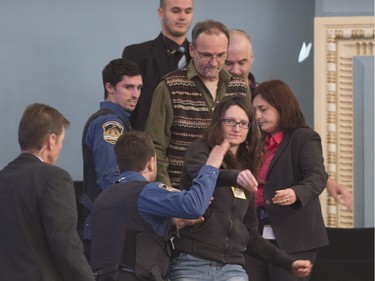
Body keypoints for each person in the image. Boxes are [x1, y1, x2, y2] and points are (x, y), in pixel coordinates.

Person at [168, 95, 312, 281]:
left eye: (244, 123)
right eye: (230, 121)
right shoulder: (201, 149)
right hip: (192, 261)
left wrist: (288, 263)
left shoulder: (247, 168)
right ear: (218, 123)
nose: (237, 128)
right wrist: (235, 176)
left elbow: (251, 235)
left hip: (231, 267)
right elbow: (202, 174)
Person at [224, 28, 353, 211]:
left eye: (242, 62)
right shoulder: (215, 99)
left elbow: (300, 157)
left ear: (251, 58)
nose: (236, 70)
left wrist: (326, 182)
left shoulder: (265, 96)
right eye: (228, 63)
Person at [90, 130, 230, 281]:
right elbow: (194, 206)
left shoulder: (102, 199)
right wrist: (211, 166)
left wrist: (177, 223)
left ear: (118, 166)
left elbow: (131, 230)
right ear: (151, 163)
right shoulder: (146, 191)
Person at [144, 19, 250, 188]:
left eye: (221, 55)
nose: (214, 62)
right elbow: (154, 145)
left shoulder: (239, 87)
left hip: (228, 191)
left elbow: (251, 140)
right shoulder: (170, 86)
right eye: (207, 55)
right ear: (192, 50)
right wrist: (165, 189)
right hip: (182, 192)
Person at [0, 103, 94, 281]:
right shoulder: (55, 178)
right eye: (61, 141)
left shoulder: (3, 177)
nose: (60, 148)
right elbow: (65, 245)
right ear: (51, 140)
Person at [250, 79, 329, 281]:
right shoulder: (258, 143)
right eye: (255, 110)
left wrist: (296, 193)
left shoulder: (304, 137)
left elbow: (317, 176)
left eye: (263, 109)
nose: (257, 115)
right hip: (257, 236)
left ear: (281, 106)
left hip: (294, 237)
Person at [80, 58, 143, 259]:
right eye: (128, 87)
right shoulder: (110, 124)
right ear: (109, 87)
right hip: (107, 224)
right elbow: (110, 178)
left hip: (109, 222)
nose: (135, 94)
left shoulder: (119, 122)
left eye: (139, 87)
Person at [122, 0, 193, 131]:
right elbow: (123, 107)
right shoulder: (136, 54)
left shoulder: (202, 57)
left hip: (191, 144)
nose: (183, 16)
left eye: (188, 11)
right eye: (176, 10)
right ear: (161, 13)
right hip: (146, 143)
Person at [224, 29, 257, 93]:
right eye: (228, 63)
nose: (235, 71)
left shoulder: (264, 97)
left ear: (252, 58)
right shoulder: (204, 97)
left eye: (241, 63)